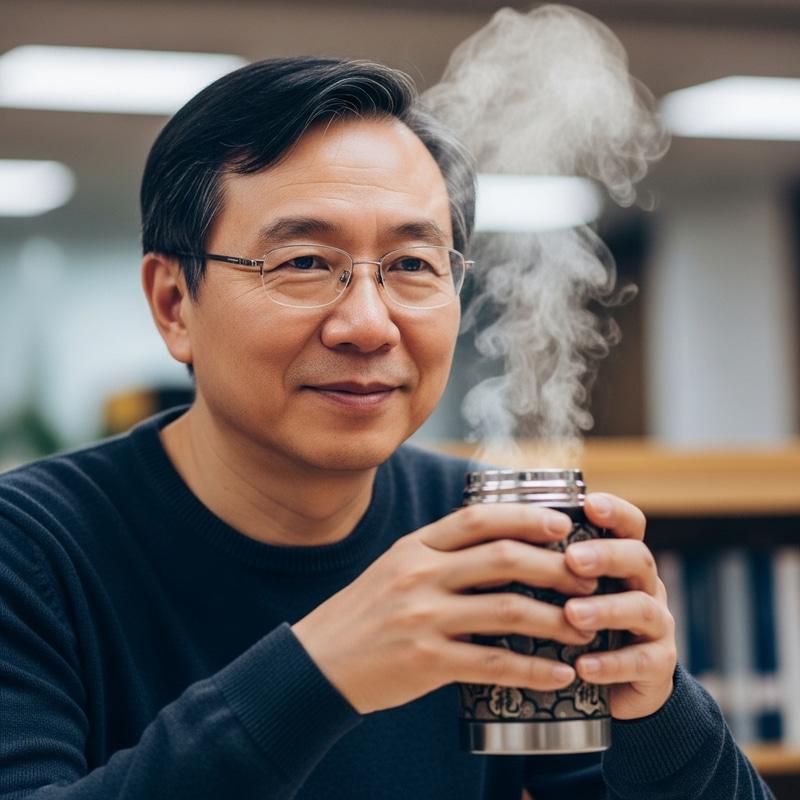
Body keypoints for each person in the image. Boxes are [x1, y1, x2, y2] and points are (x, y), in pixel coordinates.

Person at [0, 56, 774, 800]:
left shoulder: (486, 540)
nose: (368, 325)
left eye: (411, 266)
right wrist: (322, 668)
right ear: (175, 304)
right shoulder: (30, 552)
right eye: (303, 262)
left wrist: (657, 711)